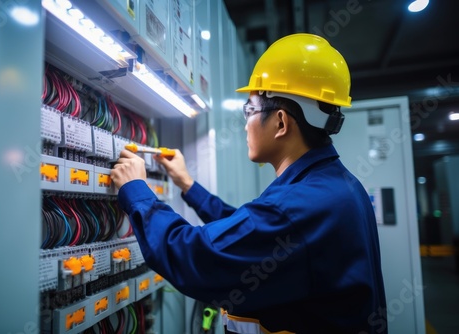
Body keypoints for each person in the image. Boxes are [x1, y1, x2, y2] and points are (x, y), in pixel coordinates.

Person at [111, 33, 387, 334]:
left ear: (281, 122)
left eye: (250, 110)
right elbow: (249, 234)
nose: (245, 123)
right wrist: (188, 185)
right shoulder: (335, 186)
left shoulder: (300, 206)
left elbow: (197, 258)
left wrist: (137, 190)